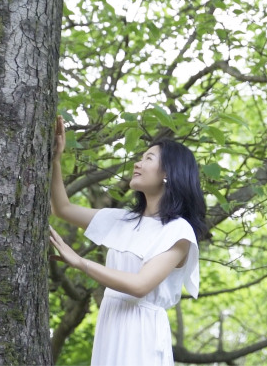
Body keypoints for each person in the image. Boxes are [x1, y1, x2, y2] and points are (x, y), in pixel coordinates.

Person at [48, 116, 207, 366]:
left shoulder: (178, 232)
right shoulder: (123, 220)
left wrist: (80, 262)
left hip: (142, 332)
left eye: (148, 159)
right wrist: (55, 160)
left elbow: (140, 285)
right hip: (111, 322)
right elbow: (63, 209)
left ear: (168, 173)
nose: (137, 163)